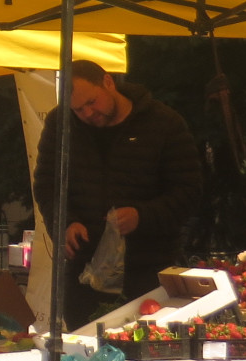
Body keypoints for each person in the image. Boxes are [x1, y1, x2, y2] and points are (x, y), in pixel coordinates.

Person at [33, 59, 202, 322]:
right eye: (78, 109)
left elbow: (188, 192)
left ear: (108, 82)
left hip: (149, 272)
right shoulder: (61, 124)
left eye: (92, 102)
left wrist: (142, 216)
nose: (88, 113)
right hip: (85, 276)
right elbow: (46, 185)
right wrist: (64, 222)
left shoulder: (164, 123)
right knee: (85, 350)